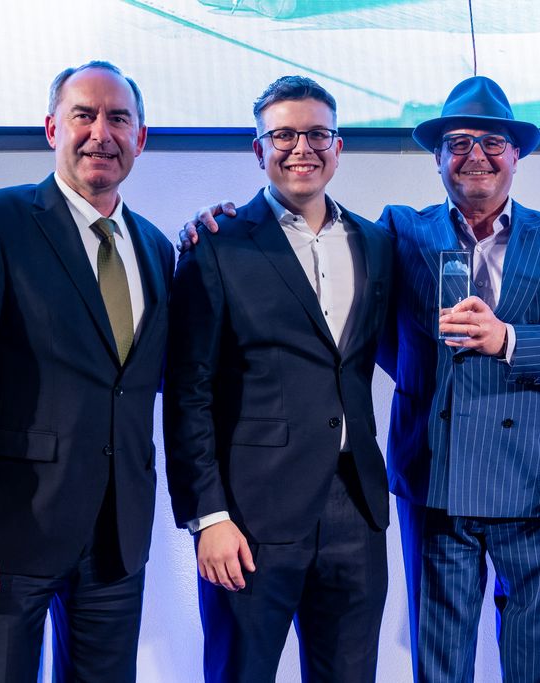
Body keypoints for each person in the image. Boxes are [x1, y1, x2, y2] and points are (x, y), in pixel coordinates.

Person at [181, 74, 540, 682]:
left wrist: (509, 340)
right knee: (437, 670)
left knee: (538, 664)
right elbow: (359, 335)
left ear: (517, 153)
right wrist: (209, 220)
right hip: (436, 482)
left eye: (492, 142)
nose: (476, 156)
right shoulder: (397, 232)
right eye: (459, 142)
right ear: (437, 158)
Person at [0, 61, 174, 682]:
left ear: (141, 138)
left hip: (116, 544)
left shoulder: (157, 248)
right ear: (52, 127)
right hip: (4, 538)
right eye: (83, 115)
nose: (100, 132)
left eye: (118, 118)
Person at [162, 76, 393, 682]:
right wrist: (208, 517)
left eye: (317, 133)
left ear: (338, 147)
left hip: (357, 510)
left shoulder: (375, 242)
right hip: (250, 517)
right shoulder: (216, 244)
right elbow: (189, 392)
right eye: (284, 134)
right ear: (258, 148)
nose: (302, 148)